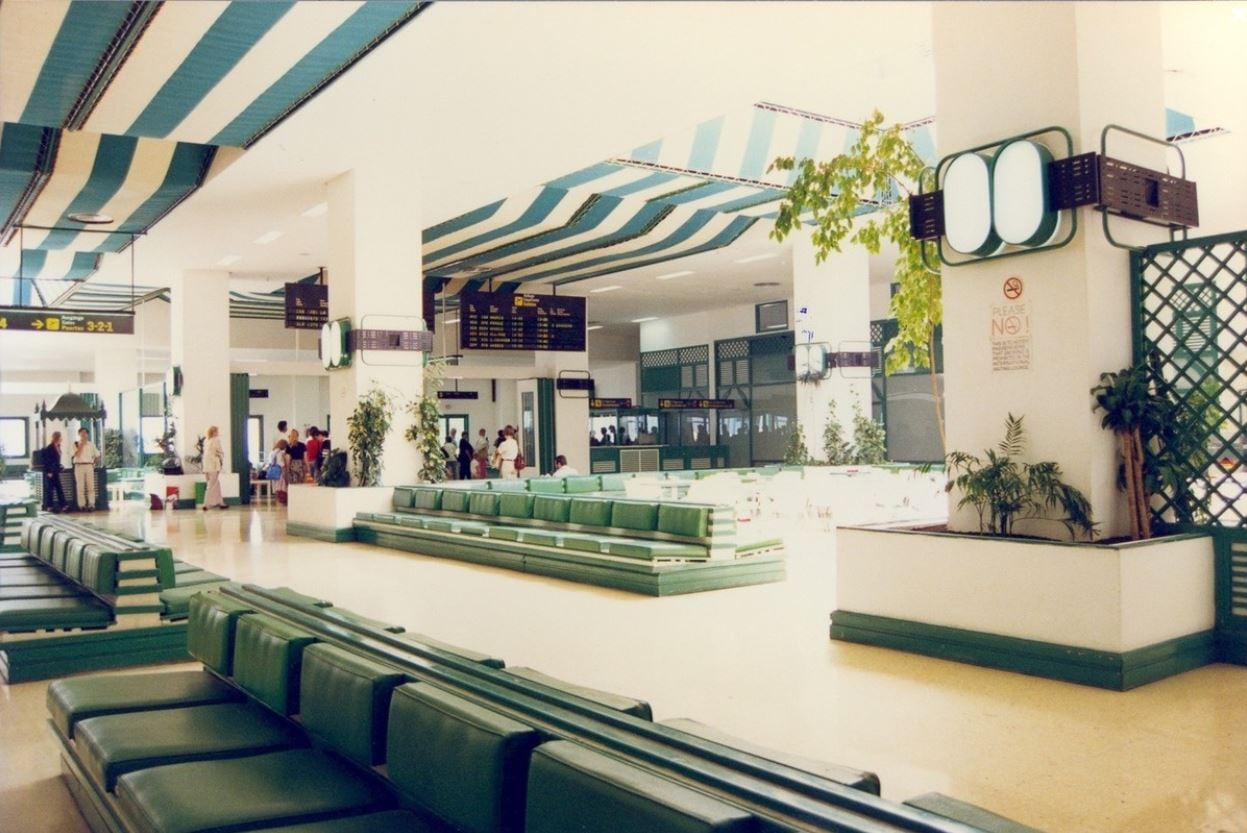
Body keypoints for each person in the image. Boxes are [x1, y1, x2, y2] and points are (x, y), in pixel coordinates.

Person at [71, 428, 100, 511]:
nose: (83, 434)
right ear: (79, 434)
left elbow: (98, 455)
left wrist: (94, 463)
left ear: (87, 434)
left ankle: (91, 504)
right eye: (81, 433)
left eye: (85, 433)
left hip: (89, 465)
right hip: (79, 466)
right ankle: (82, 505)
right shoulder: (75, 444)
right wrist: (81, 445)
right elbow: (77, 455)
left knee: (91, 486)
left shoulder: (91, 445)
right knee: (80, 486)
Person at [201, 426, 227, 510]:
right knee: (211, 485)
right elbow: (220, 451)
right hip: (213, 466)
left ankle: (221, 503)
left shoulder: (206, 441)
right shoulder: (216, 440)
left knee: (216, 484)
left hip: (206, 466)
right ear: (214, 432)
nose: (218, 432)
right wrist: (221, 457)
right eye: (217, 431)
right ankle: (206, 504)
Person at [41, 431, 67, 513]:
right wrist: (48, 471)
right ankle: (49, 506)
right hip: (50, 472)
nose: (61, 439)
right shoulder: (49, 448)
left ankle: (63, 506)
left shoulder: (58, 446)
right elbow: (47, 461)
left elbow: (56, 460)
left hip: (55, 471)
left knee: (59, 488)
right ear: (57, 438)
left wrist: (60, 466)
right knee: (50, 489)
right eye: (60, 437)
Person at [271, 440, 290, 505]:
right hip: (280, 471)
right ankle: (282, 500)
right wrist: (285, 465)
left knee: (277, 486)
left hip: (274, 470)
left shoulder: (274, 451)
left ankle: (279, 499)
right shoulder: (279, 452)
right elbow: (280, 463)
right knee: (281, 486)